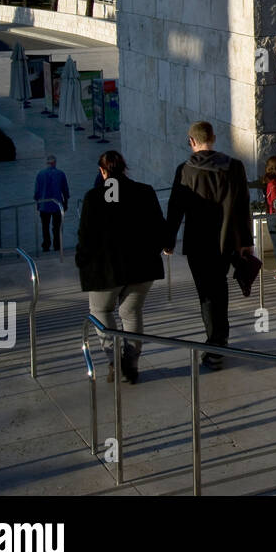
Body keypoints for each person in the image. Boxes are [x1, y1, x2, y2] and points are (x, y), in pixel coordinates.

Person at [164, 121, 255, 371]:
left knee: (206, 293)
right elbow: (242, 206)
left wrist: (169, 240)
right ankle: (219, 340)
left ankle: (215, 344)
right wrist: (246, 242)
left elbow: (175, 207)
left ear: (191, 141)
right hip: (227, 242)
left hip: (197, 244)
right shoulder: (234, 167)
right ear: (213, 138)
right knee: (220, 287)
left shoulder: (185, 170)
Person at [75, 151, 165, 384]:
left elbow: (85, 237)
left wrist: (82, 261)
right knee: (131, 312)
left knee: (100, 311)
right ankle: (132, 363)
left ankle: (114, 361)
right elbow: (159, 228)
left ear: (102, 171)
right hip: (141, 268)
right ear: (124, 168)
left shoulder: (93, 198)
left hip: (106, 271)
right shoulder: (145, 192)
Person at [33, 155, 70, 253]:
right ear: (55, 163)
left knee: (45, 226)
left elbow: (37, 191)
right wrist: (65, 202)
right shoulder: (60, 174)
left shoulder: (40, 174)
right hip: (57, 205)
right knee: (56, 226)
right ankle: (57, 245)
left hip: (44, 205)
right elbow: (65, 190)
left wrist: (37, 203)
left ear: (47, 163)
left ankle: (46, 245)